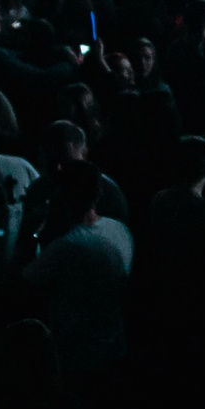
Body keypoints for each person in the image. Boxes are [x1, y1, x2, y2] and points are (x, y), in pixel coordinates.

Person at [24, 160, 136, 379]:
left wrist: (32, 232)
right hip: (115, 345)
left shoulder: (68, 245)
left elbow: (24, 282)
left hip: (77, 356)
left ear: (62, 194)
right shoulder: (119, 229)